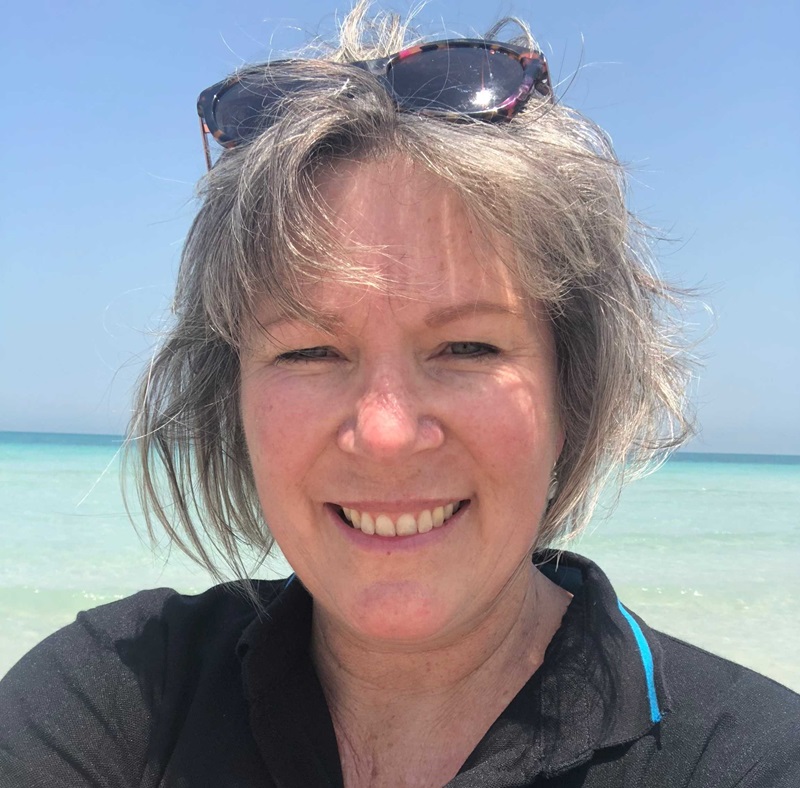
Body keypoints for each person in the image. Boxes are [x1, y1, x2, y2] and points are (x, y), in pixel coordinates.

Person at [1, 3, 798, 786]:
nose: (385, 433)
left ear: (572, 392)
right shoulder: (117, 700)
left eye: (467, 347)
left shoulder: (748, 758)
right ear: (232, 398)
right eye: (311, 350)